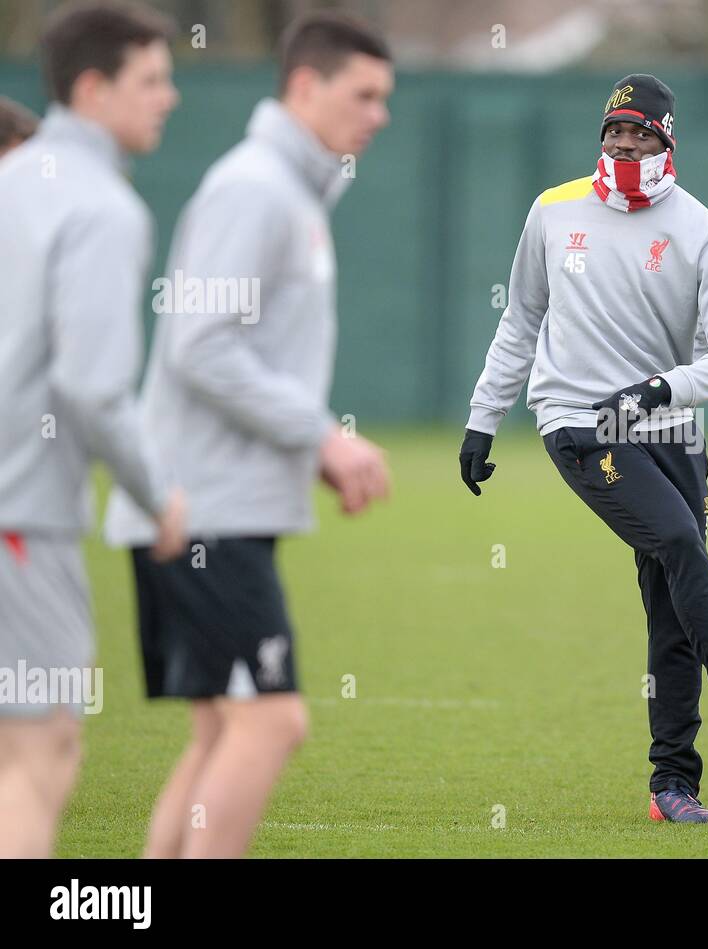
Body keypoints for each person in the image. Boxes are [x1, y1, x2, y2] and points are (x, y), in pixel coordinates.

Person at [104, 11, 394, 858]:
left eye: (387, 98)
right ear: (305, 87)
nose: (379, 114)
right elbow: (199, 343)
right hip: (204, 516)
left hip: (211, 509)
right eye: (363, 94)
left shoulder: (291, 187)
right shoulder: (255, 187)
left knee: (220, 733)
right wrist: (323, 439)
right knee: (271, 724)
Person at [461, 74, 708, 824]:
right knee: (677, 540)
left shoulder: (702, 231)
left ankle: (673, 785)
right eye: (614, 132)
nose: (625, 144)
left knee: (674, 603)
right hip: (580, 421)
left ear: (667, 140)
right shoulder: (553, 211)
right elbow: (520, 322)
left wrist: (659, 392)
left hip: (669, 432)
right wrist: (485, 418)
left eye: (641, 133)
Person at [0, 0, 186, 857]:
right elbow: (90, 385)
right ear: (91, 88)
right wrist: (158, 496)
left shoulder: (11, 178)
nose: (169, 97)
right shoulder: (101, 206)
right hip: (19, 516)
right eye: (150, 79)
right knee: (40, 749)